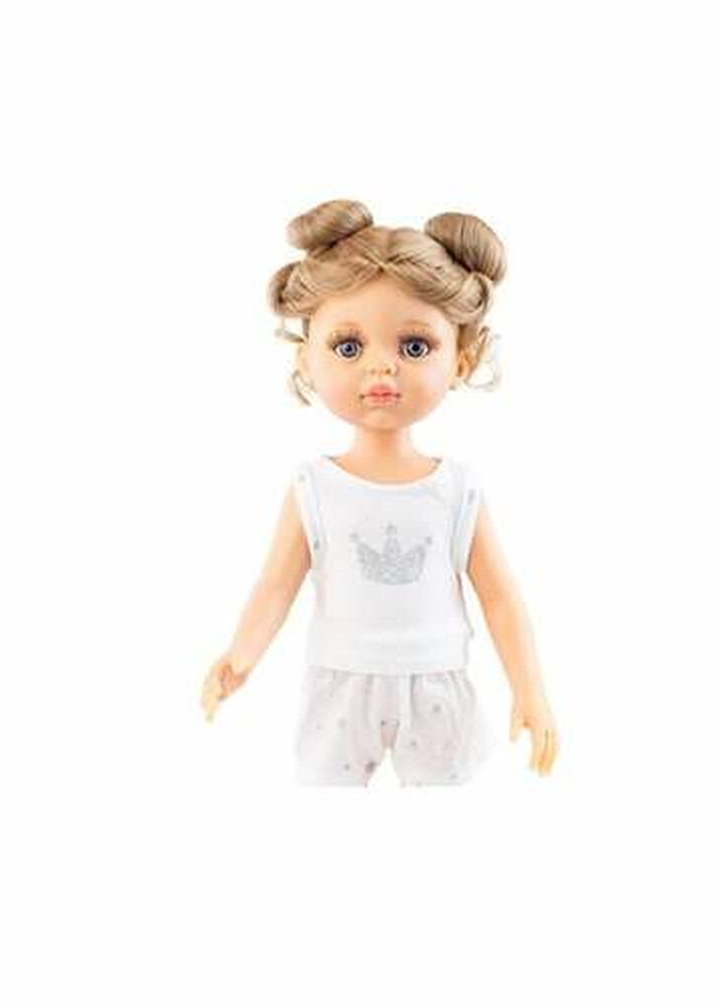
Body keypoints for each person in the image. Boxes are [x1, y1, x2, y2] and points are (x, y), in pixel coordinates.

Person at [200, 198, 558, 784]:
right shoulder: (314, 486)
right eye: (348, 347)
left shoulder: (456, 489)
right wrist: (241, 656)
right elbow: (276, 585)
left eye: (414, 347)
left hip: (436, 679)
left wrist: (530, 688)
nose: (381, 368)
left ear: (461, 359)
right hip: (340, 679)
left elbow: (499, 596)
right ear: (307, 360)